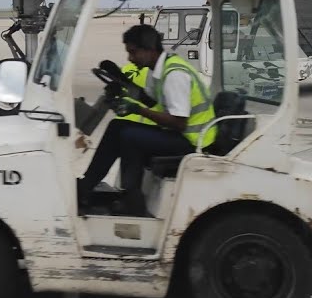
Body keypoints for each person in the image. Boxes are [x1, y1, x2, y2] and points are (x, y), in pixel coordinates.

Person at [77, 24, 216, 217]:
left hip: (191, 142)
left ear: (150, 50)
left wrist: (136, 109)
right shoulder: (158, 69)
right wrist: (122, 82)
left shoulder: (175, 75)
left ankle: (132, 201)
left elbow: (178, 122)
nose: (130, 59)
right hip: (180, 135)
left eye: (133, 53)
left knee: (130, 137)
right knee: (117, 125)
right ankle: (87, 185)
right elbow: (150, 100)